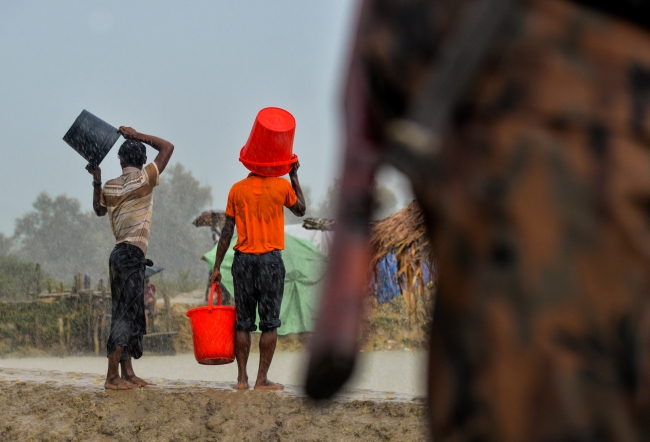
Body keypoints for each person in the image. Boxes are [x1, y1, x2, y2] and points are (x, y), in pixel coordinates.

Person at [88, 126, 174, 390]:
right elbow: (168, 147)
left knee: (131, 313)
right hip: (130, 255)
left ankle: (128, 372)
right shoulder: (146, 178)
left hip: (121, 255)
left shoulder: (112, 186)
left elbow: (99, 210)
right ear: (143, 161)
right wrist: (137, 135)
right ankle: (112, 377)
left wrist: (97, 179)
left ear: (121, 161)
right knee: (126, 315)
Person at [210, 162, 306, 390]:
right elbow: (301, 209)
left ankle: (242, 379)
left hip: (242, 262)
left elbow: (226, 232)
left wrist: (217, 266)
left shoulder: (237, 189)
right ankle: (261, 380)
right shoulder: (281, 186)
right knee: (269, 324)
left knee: (243, 323)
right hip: (270, 263)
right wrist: (294, 175)